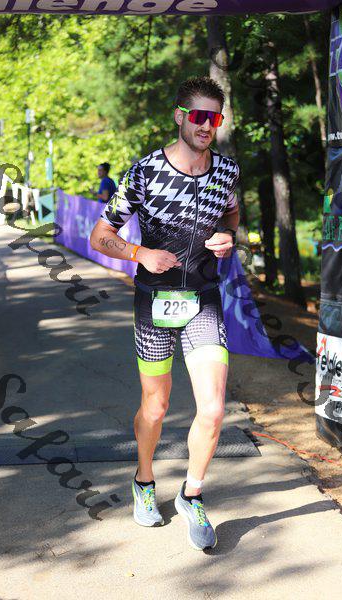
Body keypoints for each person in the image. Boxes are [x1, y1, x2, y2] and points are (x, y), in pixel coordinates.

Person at [89, 75, 240, 551]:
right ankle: (144, 479)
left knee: (213, 409)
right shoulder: (145, 172)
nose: (207, 126)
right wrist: (140, 254)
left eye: (215, 118)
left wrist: (228, 236)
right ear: (180, 116)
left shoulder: (226, 172)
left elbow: (232, 214)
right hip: (153, 302)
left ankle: (192, 495)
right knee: (155, 407)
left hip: (203, 300)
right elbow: (100, 236)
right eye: (199, 116)